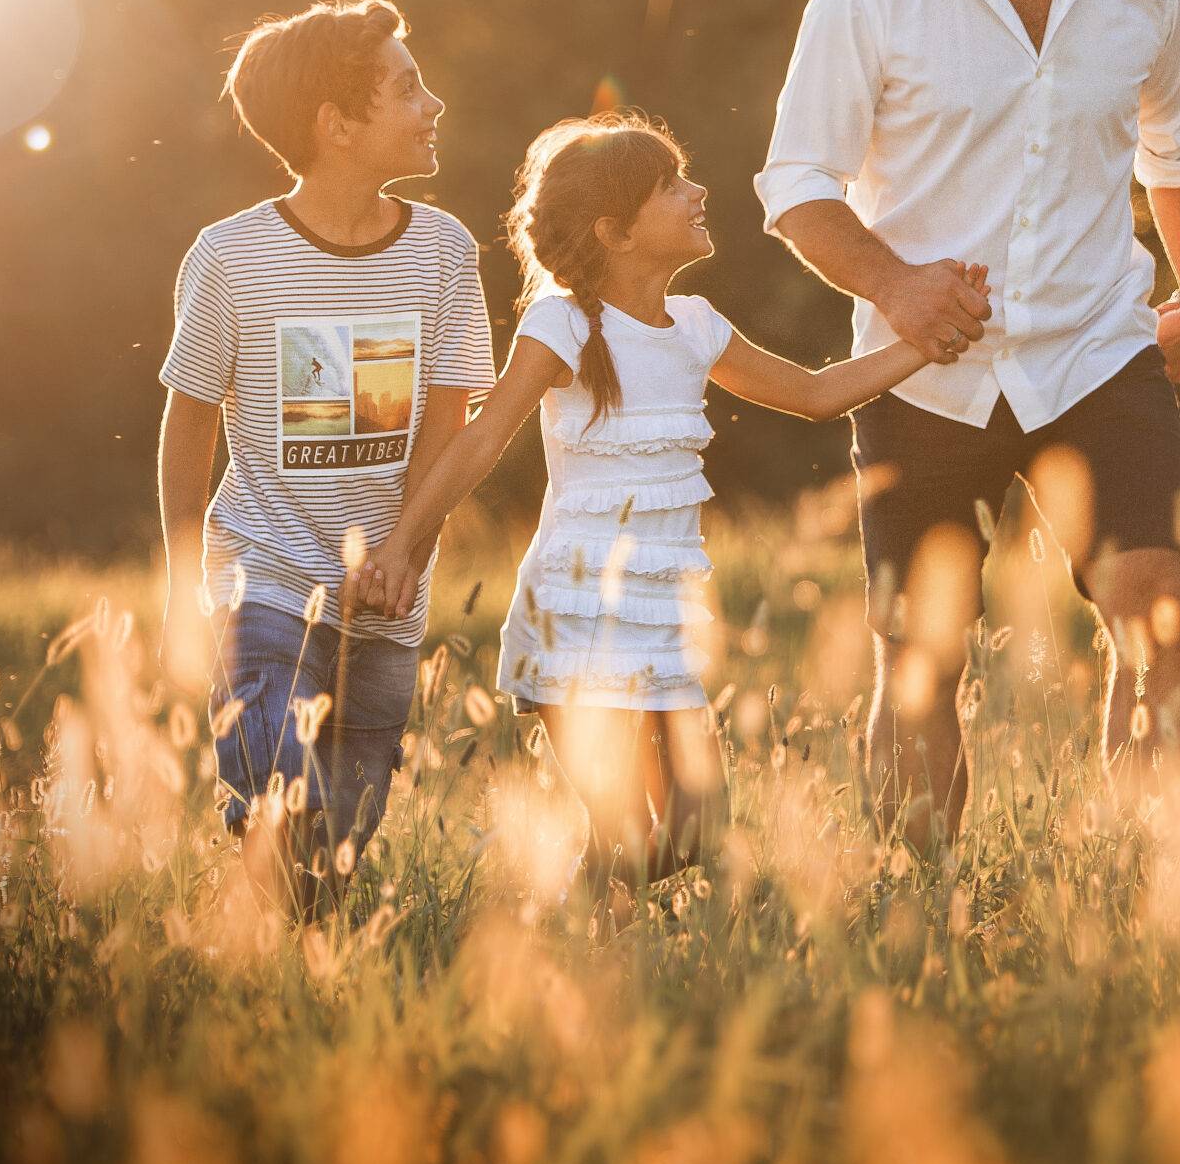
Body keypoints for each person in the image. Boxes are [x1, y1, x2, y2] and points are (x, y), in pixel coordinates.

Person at [754, 0, 1180, 850]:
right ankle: (914, 907)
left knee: (1158, 617)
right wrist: (897, 282)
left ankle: (1145, 896)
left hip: (1096, 350)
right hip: (924, 377)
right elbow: (794, 184)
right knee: (919, 656)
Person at [353, 115, 966, 887]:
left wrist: (926, 339)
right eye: (671, 186)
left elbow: (814, 394)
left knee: (692, 828)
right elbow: (483, 439)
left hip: (661, 624)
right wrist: (404, 543)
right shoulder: (565, 323)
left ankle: (579, 937)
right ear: (615, 232)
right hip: (574, 616)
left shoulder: (699, 328)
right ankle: (578, 962)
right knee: (620, 832)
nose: (698, 191)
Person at [156, 0, 495, 915]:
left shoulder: (443, 251)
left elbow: (448, 420)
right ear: (336, 125)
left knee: (334, 854)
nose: (434, 105)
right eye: (407, 88)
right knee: (282, 787)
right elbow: (189, 420)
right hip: (262, 577)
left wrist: (404, 554)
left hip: (386, 597)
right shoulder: (230, 257)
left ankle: (290, 964)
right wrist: (183, 580)